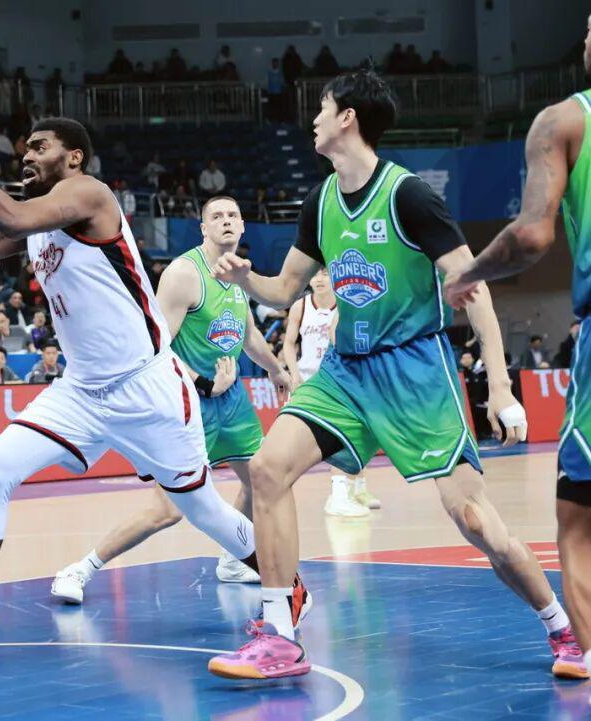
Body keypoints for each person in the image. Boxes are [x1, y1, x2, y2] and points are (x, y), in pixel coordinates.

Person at [207, 69, 580, 681]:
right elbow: (283, 289)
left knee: (474, 520)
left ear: (348, 117)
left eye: (323, 108)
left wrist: (500, 386)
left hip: (415, 372)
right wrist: (247, 278)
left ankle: (561, 627)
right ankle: (279, 634)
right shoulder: (320, 201)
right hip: (346, 372)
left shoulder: (409, 196)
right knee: (269, 468)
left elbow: (475, 288)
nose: (314, 120)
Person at [0, 115, 262, 659]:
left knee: (202, 511)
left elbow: (9, 214)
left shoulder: (90, 195)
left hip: (146, 385)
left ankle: (284, 584)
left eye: (40, 147)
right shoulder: (36, 224)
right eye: (25, 149)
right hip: (81, 391)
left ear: (74, 157)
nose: (27, 156)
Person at [442, 19, 591, 680]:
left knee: (579, 518)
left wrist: (469, 274)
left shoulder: (564, 120)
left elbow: (532, 236)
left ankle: (586, 650)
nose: (583, 38)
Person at [51, 196, 293, 603]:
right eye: (217, 216)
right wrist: (204, 383)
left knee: (262, 478)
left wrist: (274, 368)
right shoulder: (184, 273)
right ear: (203, 228)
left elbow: (248, 334)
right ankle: (80, 569)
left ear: (242, 226)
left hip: (232, 401)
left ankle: (234, 561)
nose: (226, 220)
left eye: (233, 215)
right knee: (168, 510)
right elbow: (156, 345)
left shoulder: (239, 275)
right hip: (187, 402)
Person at [283, 268, 379, 517]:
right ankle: (336, 493)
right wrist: (293, 374)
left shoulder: (346, 304)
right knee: (296, 445)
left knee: (355, 434)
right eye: (314, 274)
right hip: (308, 381)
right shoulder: (301, 306)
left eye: (324, 274)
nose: (318, 279)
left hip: (339, 379)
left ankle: (356, 489)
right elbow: (289, 343)